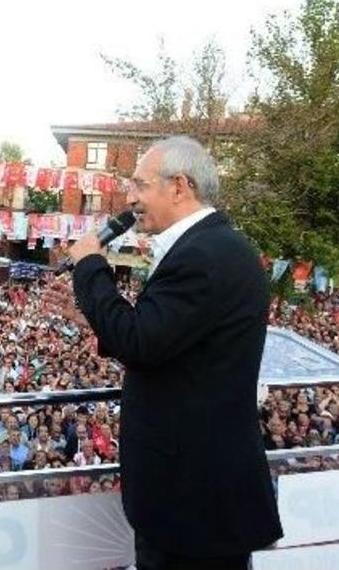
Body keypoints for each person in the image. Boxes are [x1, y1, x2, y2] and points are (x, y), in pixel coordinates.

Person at [47, 136, 282, 570]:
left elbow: (142, 342)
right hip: (197, 493)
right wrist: (95, 317)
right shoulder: (213, 247)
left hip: (193, 498)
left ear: (179, 186)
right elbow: (171, 340)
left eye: (139, 184)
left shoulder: (203, 254)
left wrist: (89, 266)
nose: (129, 197)